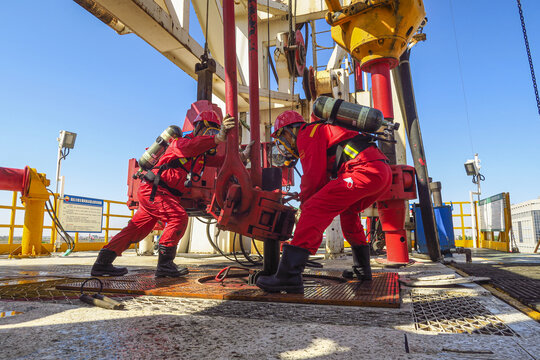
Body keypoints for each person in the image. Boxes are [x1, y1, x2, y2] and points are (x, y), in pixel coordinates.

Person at [256, 110, 393, 293]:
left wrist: (304, 207)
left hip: (364, 171)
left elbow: (314, 180)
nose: (285, 145)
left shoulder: (307, 133)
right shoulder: (322, 130)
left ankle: (288, 275)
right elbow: (323, 178)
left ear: (289, 131)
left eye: (283, 140)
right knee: (348, 213)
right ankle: (362, 269)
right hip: (382, 173)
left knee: (314, 208)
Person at [91, 111, 236, 277]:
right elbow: (190, 147)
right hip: (155, 191)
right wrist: (217, 138)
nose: (210, 135)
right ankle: (165, 265)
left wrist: (242, 156)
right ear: (198, 127)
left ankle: (102, 264)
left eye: (214, 132)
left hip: (160, 193)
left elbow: (220, 160)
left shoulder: (199, 155)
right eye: (209, 131)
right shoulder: (180, 143)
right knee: (178, 217)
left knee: (136, 229)